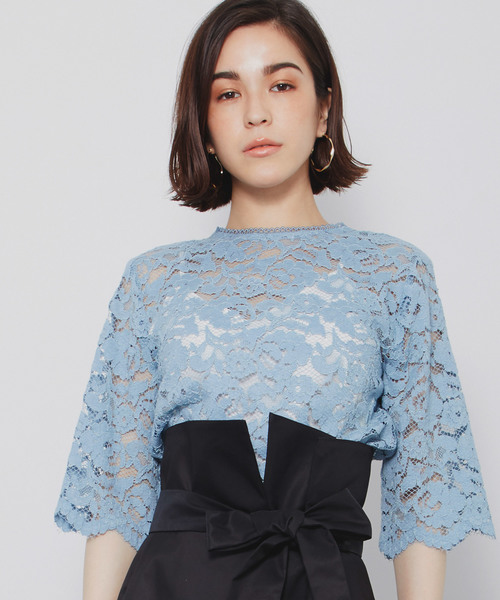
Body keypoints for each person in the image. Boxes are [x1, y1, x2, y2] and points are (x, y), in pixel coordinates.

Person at [54, 1, 495, 599]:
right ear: (204, 125)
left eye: (281, 85)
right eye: (228, 94)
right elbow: (116, 497)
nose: (256, 112)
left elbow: (425, 495)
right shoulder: (153, 282)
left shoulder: (395, 275)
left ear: (324, 108)